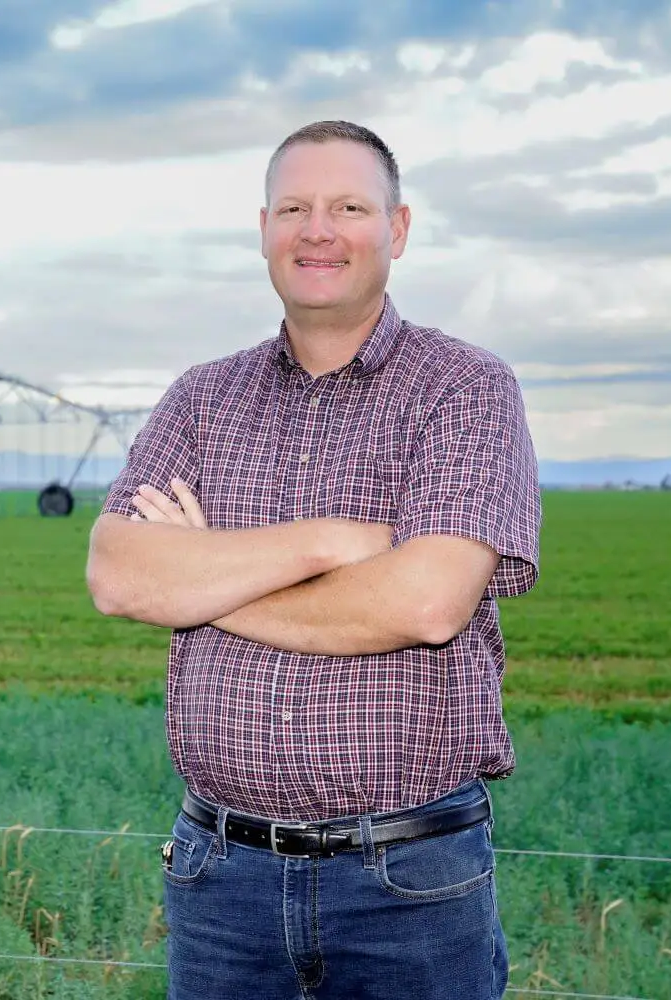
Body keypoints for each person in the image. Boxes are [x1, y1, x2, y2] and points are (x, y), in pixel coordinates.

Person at [84, 120, 542, 1000]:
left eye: (348, 207)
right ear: (263, 229)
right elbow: (119, 575)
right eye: (294, 207)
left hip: (407, 880)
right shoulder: (203, 396)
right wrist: (326, 544)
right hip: (220, 879)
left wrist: (202, 583)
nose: (318, 230)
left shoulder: (464, 387)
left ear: (397, 229)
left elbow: (427, 603)